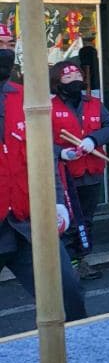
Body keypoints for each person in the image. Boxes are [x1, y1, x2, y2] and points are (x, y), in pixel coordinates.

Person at [0, 25, 85, 320]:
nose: (5, 50)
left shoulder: (27, 99)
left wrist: (58, 201)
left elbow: (44, 156)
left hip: (28, 223)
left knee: (68, 297)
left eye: (8, 43)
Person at [49, 60, 109, 281]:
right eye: (68, 78)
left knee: (86, 218)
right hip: (64, 175)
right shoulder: (49, 108)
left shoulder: (94, 104)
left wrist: (92, 140)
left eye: (78, 76)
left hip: (92, 171)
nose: (74, 81)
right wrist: (61, 152)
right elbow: (40, 139)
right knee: (68, 220)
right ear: (57, 82)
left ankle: (81, 259)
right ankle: (69, 263)